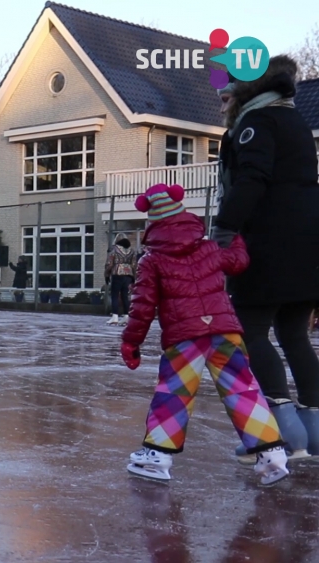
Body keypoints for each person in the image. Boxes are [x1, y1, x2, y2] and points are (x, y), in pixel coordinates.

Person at [121, 183, 287, 486]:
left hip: (186, 337)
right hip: (225, 331)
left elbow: (142, 306)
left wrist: (131, 341)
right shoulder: (210, 247)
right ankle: (271, 453)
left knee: (175, 393)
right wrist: (236, 239)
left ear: (153, 224)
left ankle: (157, 457)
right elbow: (238, 262)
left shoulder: (151, 260)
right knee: (242, 389)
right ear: (183, 214)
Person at [210, 54, 319, 459]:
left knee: (250, 330)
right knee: (293, 335)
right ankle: (314, 433)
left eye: (228, 87)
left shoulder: (256, 123)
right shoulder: (294, 121)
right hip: (306, 244)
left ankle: (281, 433)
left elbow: (254, 178)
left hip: (271, 243)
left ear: (247, 88)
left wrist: (224, 230)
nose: (221, 94)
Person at [104, 236, 138, 325]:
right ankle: (126, 316)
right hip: (128, 274)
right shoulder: (132, 251)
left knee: (115, 295)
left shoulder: (114, 249)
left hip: (117, 273)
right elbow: (134, 264)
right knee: (125, 296)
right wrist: (134, 277)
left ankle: (115, 316)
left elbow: (109, 263)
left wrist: (107, 274)